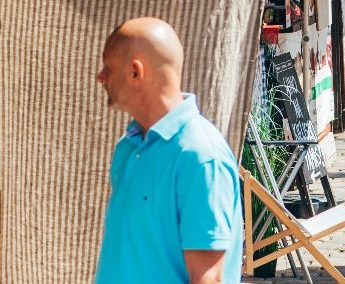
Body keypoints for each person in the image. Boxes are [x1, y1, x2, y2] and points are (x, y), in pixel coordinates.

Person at [95, 18, 243, 284]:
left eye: (108, 68)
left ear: (135, 72)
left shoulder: (200, 156)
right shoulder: (128, 146)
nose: (100, 77)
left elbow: (208, 279)